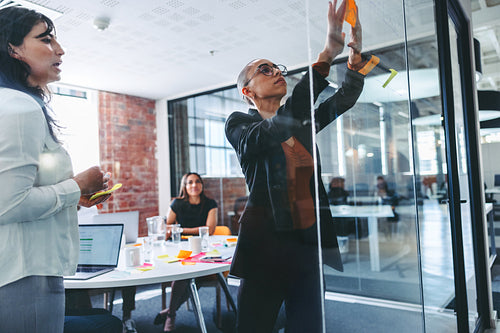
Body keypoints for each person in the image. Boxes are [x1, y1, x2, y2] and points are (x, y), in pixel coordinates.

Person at [225, 1, 377, 332]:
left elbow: (341, 101)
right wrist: (325, 56)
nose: (277, 71)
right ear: (247, 91)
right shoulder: (239, 124)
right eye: (265, 69)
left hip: (308, 247)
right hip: (266, 251)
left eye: (277, 67)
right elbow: (272, 130)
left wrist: (353, 64)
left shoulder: (301, 124)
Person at [0, 6, 111, 332]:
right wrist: (77, 186)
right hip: (25, 275)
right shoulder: (19, 107)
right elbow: (8, 204)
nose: (59, 49)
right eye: (46, 39)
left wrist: (75, 199)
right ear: (13, 48)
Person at [154, 172, 218, 332]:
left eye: (197, 182)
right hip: (181, 249)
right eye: (190, 182)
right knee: (185, 273)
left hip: (203, 249)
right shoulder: (177, 203)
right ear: (185, 186)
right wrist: (172, 230)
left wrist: (181, 229)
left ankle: (169, 311)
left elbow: (209, 229)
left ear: (201, 185)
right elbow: (166, 226)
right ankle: (171, 315)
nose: (194, 185)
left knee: (197, 275)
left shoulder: (210, 204)